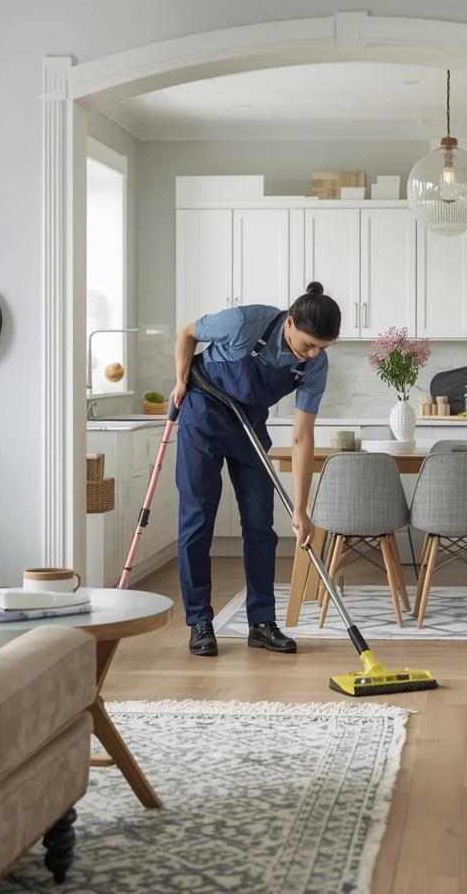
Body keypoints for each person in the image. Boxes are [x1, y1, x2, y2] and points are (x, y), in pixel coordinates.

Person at [172, 281, 341, 656]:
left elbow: (302, 437)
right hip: (203, 414)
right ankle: (200, 620)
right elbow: (187, 334)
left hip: (248, 424)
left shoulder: (316, 365)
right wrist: (181, 379)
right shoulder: (245, 321)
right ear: (290, 323)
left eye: (321, 348)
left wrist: (300, 508)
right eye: (308, 345)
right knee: (197, 519)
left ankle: (262, 623)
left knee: (260, 526)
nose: (313, 355)